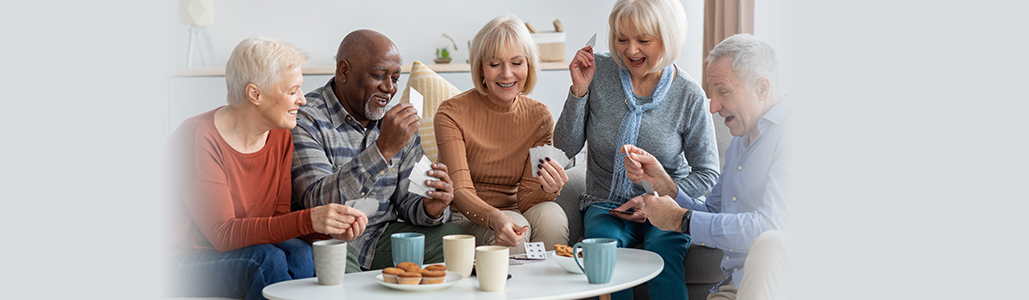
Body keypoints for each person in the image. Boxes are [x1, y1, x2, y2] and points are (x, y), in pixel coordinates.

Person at [166, 36, 370, 300]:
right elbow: (223, 234)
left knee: (300, 252)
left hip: (242, 250)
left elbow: (277, 220)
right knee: (265, 259)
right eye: (292, 90)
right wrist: (310, 218)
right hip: (183, 260)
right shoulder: (198, 136)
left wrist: (327, 227)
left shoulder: (280, 136)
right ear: (255, 94)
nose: (303, 100)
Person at [553, 0, 720, 299]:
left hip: (666, 205)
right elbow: (564, 149)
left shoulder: (688, 94)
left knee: (663, 256)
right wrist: (579, 91)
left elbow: (708, 173)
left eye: (643, 40)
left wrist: (654, 200)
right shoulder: (598, 71)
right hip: (606, 203)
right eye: (621, 39)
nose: (630, 51)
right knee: (605, 258)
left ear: (667, 39)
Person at [623, 33, 790, 300]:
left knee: (770, 243)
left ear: (762, 88)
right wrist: (666, 187)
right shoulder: (741, 140)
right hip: (733, 285)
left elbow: (768, 228)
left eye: (723, 91)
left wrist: (681, 219)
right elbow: (712, 211)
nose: (713, 106)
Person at [291, 29, 467, 272]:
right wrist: (383, 149)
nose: (389, 88)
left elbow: (408, 201)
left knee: (452, 236)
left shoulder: (397, 122)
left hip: (381, 236)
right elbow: (316, 202)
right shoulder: (306, 119)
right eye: (378, 75)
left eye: (395, 78)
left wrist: (431, 207)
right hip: (330, 241)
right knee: (339, 270)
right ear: (344, 71)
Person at [434, 14, 570, 249]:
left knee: (552, 216)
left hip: (515, 210)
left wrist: (549, 189)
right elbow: (460, 190)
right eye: (495, 64)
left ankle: (549, 286)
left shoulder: (539, 117)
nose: (507, 74)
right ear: (481, 68)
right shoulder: (451, 113)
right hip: (464, 216)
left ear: (528, 65)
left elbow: (527, 198)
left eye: (517, 63)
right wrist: (496, 217)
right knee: (515, 227)